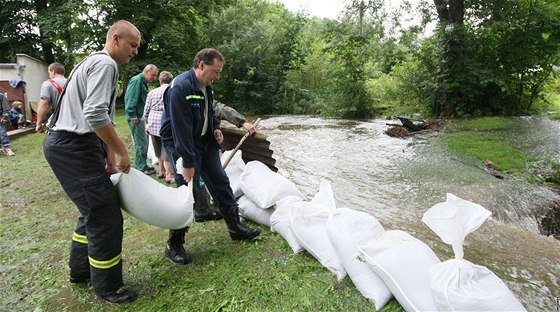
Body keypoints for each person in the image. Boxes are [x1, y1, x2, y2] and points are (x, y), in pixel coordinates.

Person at [42, 20, 140, 304]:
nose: (135, 51)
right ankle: (109, 287)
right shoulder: (106, 64)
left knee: (91, 210)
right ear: (116, 38)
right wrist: (121, 151)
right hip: (73, 146)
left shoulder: (92, 62)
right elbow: (95, 114)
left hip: (75, 144)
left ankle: (81, 271)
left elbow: (101, 117)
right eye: (132, 45)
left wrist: (108, 154)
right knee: (104, 215)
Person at [160, 48, 261, 265]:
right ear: (201, 65)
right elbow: (181, 130)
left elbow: (209, 111)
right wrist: (187, 162)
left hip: (205, 141)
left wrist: (215, 127)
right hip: (182, 145)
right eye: (216, 71)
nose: (218, 76)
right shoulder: (180, 87)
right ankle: (174, 244)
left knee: (220, 182)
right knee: (189, 192)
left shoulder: (206, 86)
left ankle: (235, 228)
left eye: (220, 72)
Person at [124, 63, 158, 175]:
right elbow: (130, 99)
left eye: (155, 76)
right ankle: (140, 167)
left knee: (145, 142)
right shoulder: (136, 81)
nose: (153, 78)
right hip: (136, 117)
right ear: (146, 72)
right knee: (141, 143)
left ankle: (142, 164)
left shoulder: (143, 82)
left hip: (140, 116)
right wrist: (132, 115)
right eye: (152, 75)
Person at [143, 70, 174, 183]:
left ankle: (161, 171)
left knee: (157, 149)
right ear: (171, 80)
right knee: (166, 149)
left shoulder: (152, 93)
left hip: (153, 123)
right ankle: (169, 175)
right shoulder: (173, 91)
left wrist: (146, 122)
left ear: (160, 80)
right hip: (166, 123)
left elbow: (146, 110)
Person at [35, 62, 67, 133]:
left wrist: (39, 123)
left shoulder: (48, 84)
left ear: (53, 71)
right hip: (73, 121)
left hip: (57, 122)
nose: (49, 75)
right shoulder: (72, 82)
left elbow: (44, 104)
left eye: (49, 72)